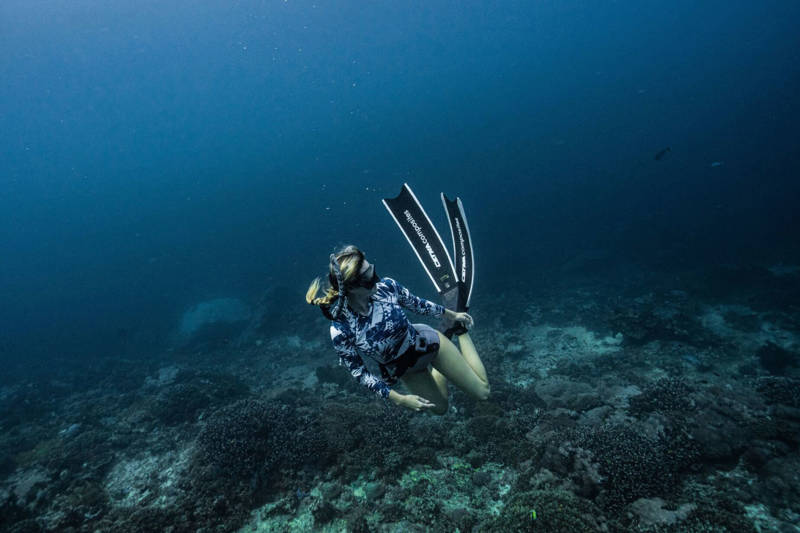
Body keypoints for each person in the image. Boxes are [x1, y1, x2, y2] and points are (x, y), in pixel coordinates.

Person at [306, 245, 490, 414]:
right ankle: (442, 367)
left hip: (430, 343)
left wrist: (453, 316)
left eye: (372, 270)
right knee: (440, 409)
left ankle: (459, 331)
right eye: (368, 276)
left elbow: (418, 304)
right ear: (352, 287)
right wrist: (400, 399)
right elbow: (359, 373)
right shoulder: (341, 329)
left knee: (482, 393)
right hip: (407, 369)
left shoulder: (387, 287)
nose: (376, 278)